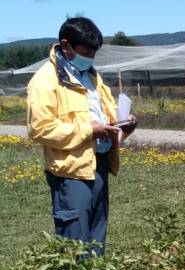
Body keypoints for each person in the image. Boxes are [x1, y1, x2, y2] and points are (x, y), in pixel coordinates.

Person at [26, 17, 136, 256]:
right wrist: (88, 130)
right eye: (86, 52)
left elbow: (104, 116)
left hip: (98, 164)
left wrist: (122, 127)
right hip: (71, 171)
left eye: (94, 53)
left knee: (97, 232)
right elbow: (40, 128)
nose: (91, 59)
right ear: (66, 46)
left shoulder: (91, 76)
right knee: (74, 238)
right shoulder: (45, 81)